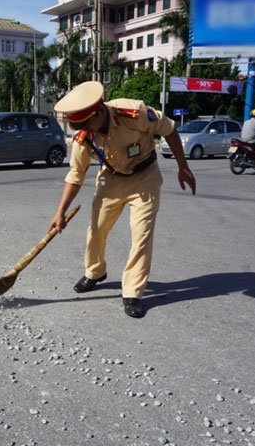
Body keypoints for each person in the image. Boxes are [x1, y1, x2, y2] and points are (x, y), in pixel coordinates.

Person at [48, 81, 196, 318]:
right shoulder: (84, 135)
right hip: (111, 179)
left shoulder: (133, 112)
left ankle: (133, 292)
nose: (84, 130)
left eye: (86, 124)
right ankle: (95, 272)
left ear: (98, 112)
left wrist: (183, 166)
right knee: (96, 230)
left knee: (141, 235)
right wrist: (60, 212)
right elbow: (75, 175)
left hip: (144, 177)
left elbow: (168, 129)